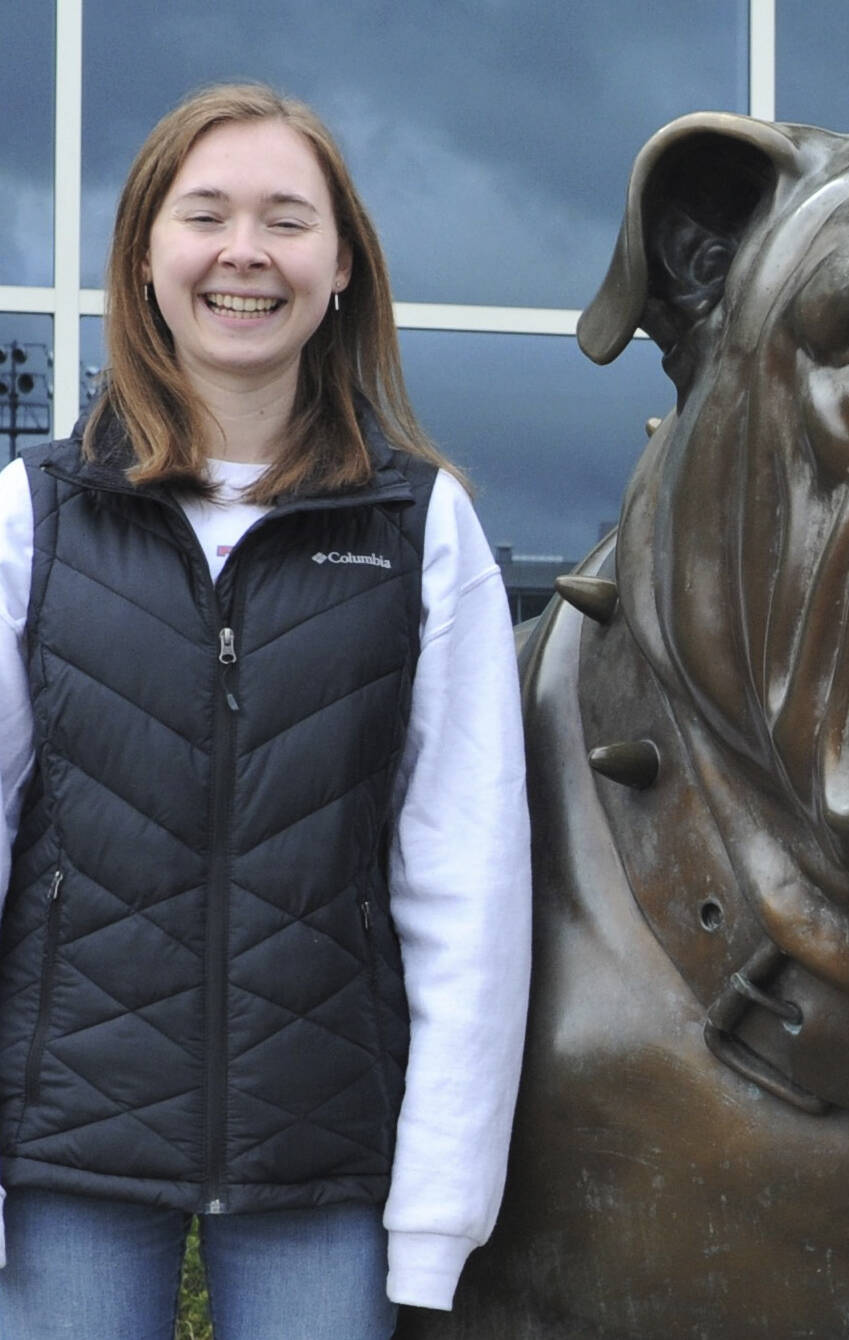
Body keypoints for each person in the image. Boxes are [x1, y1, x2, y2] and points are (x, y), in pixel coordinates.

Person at [0, 83, 531, 1338]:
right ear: (145, 255)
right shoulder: (37, 516)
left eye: (288, 220)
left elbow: (469, 878)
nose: (246, 252)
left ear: (341, 266)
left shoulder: (421, 525)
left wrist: (438, 1209)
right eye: (207, 215)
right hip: (68, 1150)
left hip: (322, 1158)